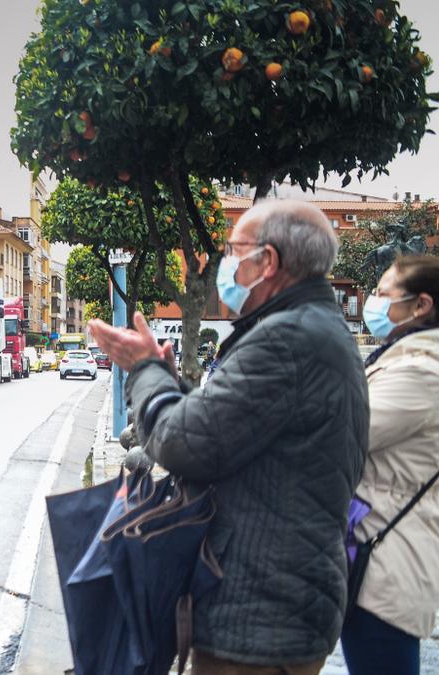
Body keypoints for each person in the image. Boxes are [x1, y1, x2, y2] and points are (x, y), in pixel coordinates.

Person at [89, 201, 368, 674]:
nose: (227, 263)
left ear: (268, 262)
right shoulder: (309, 329)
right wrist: (172, 386)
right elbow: (229, 429)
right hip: (274, 606)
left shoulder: (286, 339)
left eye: (235, 250)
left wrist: (144, 372)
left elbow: (185, 445)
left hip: (260, 618)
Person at [340, 254, 439, 675]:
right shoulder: (399, 357)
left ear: (421, 305)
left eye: (383, 294)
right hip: (372, 550)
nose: (374, 302)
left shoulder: (423, 372)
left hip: (388, 561)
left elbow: (342, 432)